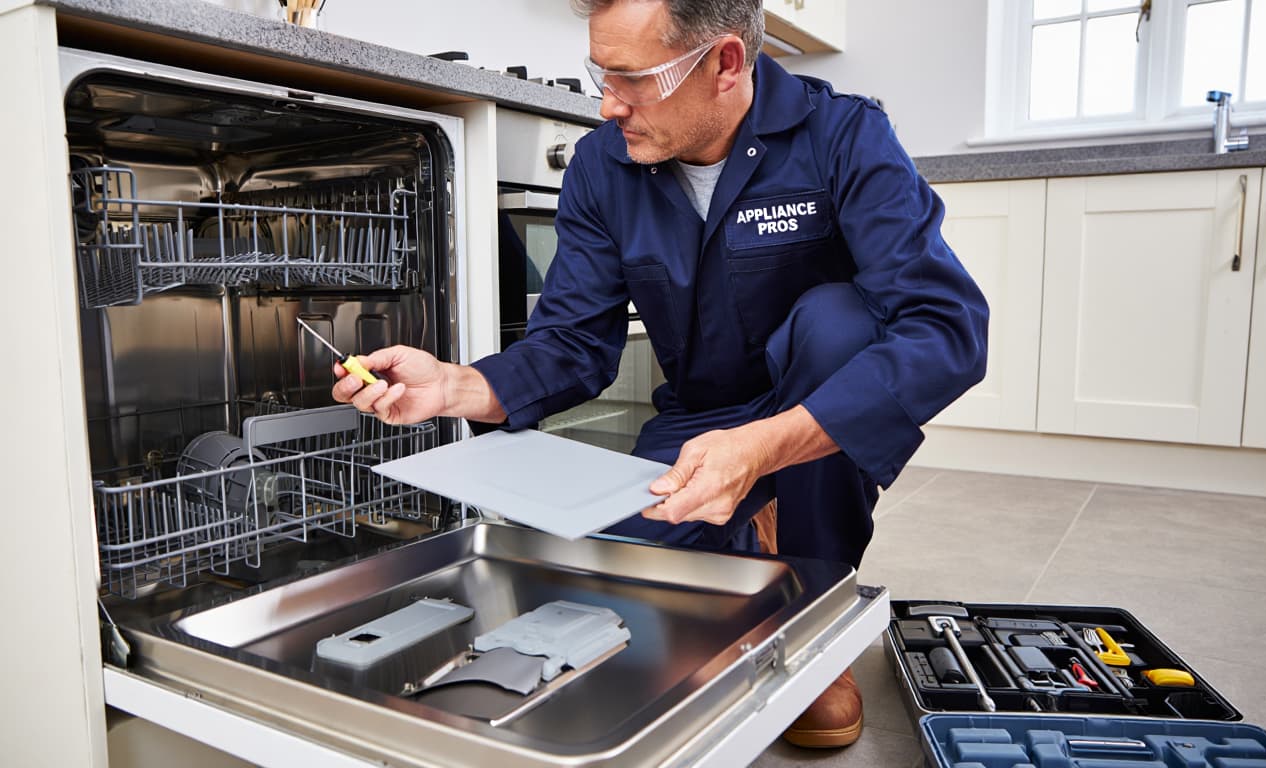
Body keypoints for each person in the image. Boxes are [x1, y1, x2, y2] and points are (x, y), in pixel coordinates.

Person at [333, 0, 988, 749]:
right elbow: (573, 343)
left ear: (726, 64)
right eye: (598, 73)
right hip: (696, 421)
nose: (607, 104)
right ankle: (752, 538)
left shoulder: (843, 137)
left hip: (813, 419)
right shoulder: (603, 165)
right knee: (618, 597)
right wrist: (454, 387)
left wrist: (766, 448)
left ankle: (813, 599)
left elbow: (946, 328)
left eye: (631, 78)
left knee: (839, 324)